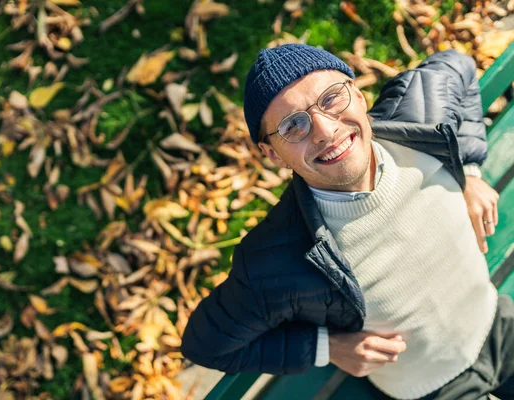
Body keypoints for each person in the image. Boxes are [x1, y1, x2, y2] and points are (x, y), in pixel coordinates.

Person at [180, 44, 514, 400]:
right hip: (431, 389)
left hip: (497, 323)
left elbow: (457, 65)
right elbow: (205, 344)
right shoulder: (275, 259)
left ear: (357, 93)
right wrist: (326, 347)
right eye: (293, 125)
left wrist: (470, 171)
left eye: (331, 99)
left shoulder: (420, 115)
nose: (324, 130)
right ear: (273, 154)